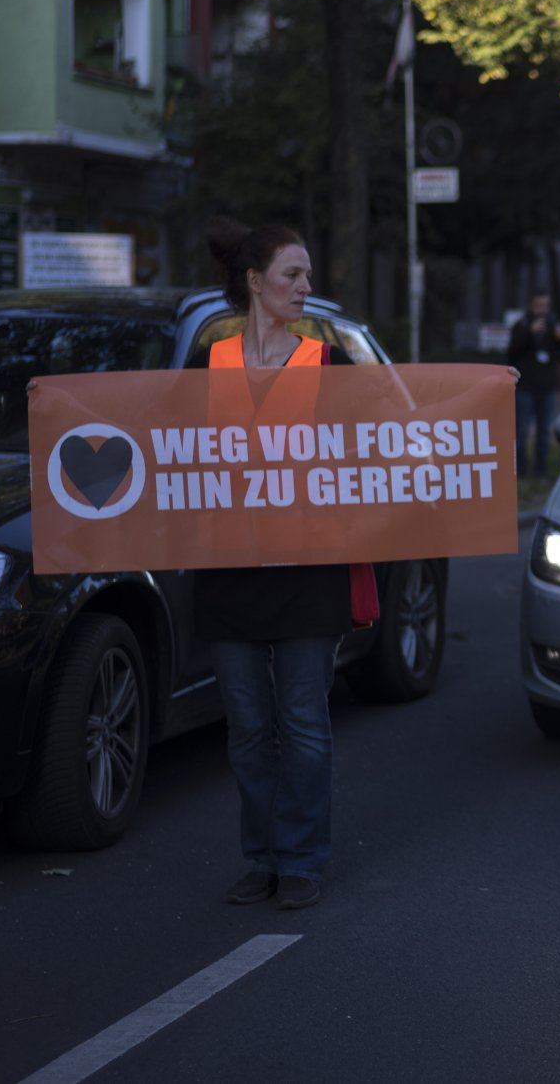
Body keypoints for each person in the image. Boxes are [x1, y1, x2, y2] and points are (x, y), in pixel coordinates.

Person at [190, 221, 355, 911]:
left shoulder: (330, 364)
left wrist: (487, 396)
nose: (306, 289)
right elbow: (167, 454)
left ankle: (302, 858)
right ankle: (260, 857)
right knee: (249, 728)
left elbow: (385, 444)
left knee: (304, 723)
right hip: (229, 573)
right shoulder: (207, 366)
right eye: (293, 275)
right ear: (255, 282)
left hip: (310, 572)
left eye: (308, 276)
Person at [508, 290, 560, 480]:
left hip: (546, 389)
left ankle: (541, 472)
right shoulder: (522, 325)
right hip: (525, 388)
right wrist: (528, 333)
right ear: (531, 305)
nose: (542, 310)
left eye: (545, 305)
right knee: (522, 432)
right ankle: (521, 473)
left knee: (543, 433)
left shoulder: (553, 326)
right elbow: (511, 352)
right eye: (538, 305)